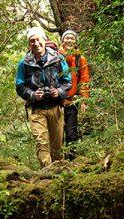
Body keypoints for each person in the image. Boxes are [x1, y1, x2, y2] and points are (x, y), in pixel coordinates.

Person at [15, 27, 72, 168]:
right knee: (42, 142)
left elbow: (67, 81)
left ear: (44, 40)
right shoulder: (24, 63)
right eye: (32, 41)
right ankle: (47, 174)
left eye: (38, 39)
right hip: (36, 109)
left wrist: (59, 91)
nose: (35, 43)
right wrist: (33, 95)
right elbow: (20, 86)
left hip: (55, 107)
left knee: (57, 146)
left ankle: (59, 172)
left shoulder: (58, 58)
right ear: (29, 44)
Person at [59, 30, 91, 160]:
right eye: (67, 38)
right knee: (57, 134)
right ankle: (56, 163)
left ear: (75, 41)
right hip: (57, 101)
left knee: (72, 134)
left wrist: (84, 100)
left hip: (72, 101)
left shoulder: (80, 58)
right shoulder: (56, 55)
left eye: (72, 38)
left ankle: (72, 163)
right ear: (62, 40)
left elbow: (84, 79)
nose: (69, 41)